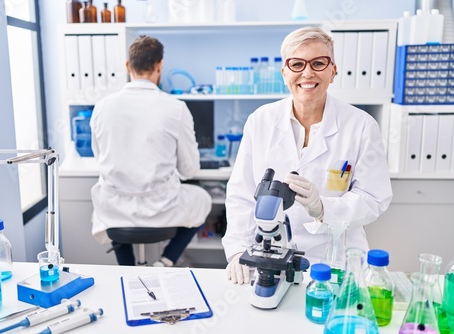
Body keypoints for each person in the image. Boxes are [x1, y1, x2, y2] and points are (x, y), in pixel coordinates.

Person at [222, 27, 393, 284]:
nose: (308, 73)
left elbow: (373, 199)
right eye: (297, 64)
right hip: (270, 259)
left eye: (318, 63)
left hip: (336, 263)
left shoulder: (361, 126)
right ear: (284, 72)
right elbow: (241, 195)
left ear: (333, 71)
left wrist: (323, 208)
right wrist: (237, 250)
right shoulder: (260, 121)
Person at [90, 35, 212, 267]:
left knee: (112, 202)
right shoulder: (176, 108)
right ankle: (166, 261)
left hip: (115, 207)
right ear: (160, 66)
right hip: (160, 208)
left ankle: (126, 267)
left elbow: (101, 159)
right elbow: (189, 171)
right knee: (203, 199)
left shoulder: (102, 107)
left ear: (128, 66)